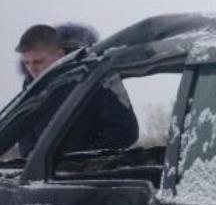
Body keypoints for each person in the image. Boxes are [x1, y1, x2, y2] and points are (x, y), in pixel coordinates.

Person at [14, 24, 138, 157]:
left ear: (60, 55)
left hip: (93, 173)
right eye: (27, 63)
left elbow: (125, 130)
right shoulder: (31, 89)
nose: (32, 69)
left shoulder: (98, 76)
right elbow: (24, 135)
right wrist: (34, 160)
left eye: (38, 62)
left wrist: (82, 159)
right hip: (43, 174)